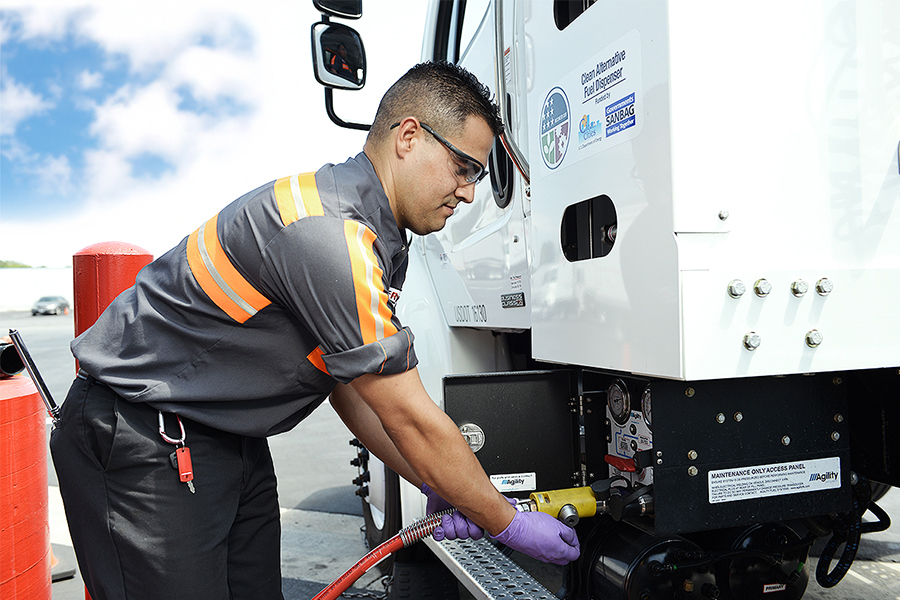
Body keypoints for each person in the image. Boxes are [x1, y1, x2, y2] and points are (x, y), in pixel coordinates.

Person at [50, 61, 580, 600]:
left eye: (477, 176)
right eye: (463, 167)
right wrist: (502, 519)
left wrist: (436, 482)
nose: (468, 193)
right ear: (410, 136)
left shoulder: (377, 234)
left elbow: (352, 389)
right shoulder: (332, 236)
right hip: (145, 440)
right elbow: (409, 416)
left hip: (225, 441)